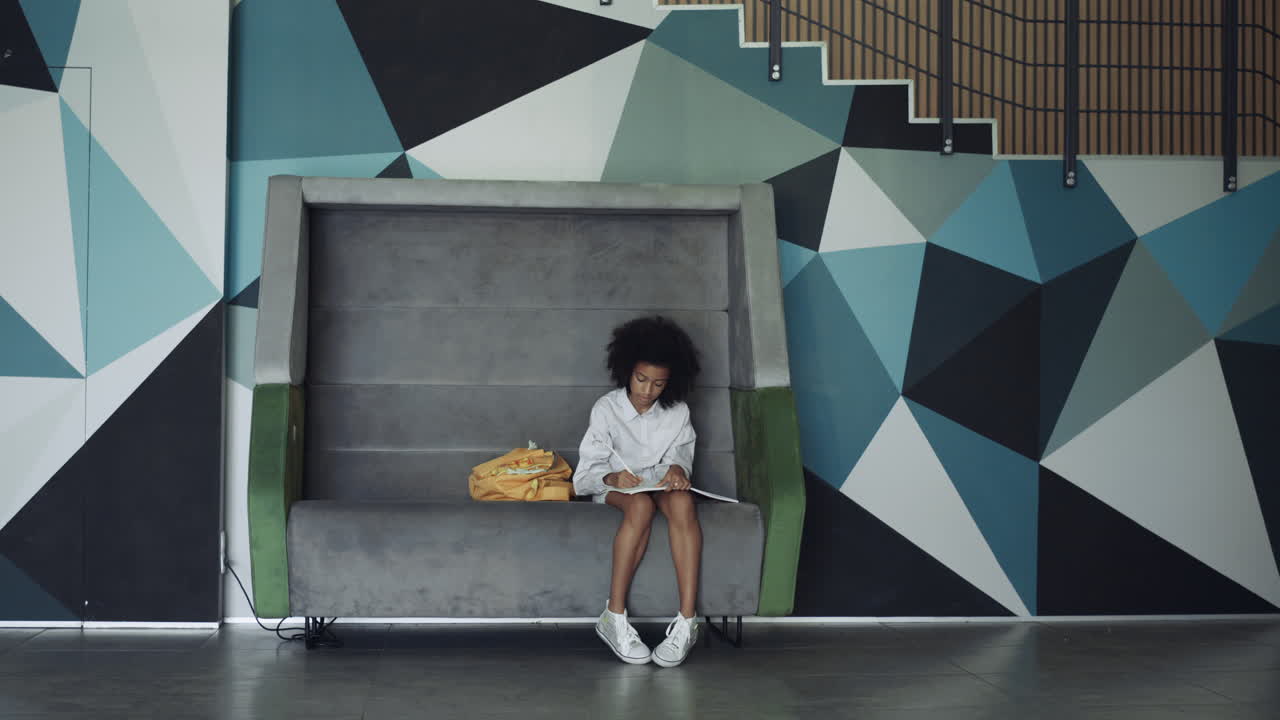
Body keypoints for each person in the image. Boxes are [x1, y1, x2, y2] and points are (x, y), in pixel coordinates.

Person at [573, 316, 703, 667]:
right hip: (619, 490)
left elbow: (681, 460)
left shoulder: (678, 412)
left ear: (670, 383)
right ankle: (613, 617)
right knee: (640, 507)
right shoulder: (607, 408)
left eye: (658, 384)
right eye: (640, 379)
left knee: (682, 501)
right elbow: (584, 476)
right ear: (626, 370)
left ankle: (688, 623)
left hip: (657, 486)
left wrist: (678, 470)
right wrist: (614, 478)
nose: (647, 391)